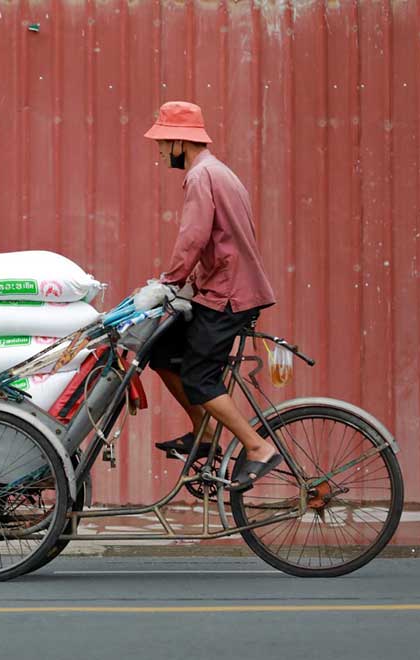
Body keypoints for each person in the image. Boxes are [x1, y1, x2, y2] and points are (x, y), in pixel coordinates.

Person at [143, 101, 279, 491]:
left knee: (201, 379)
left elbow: (194, 236)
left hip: (230, 294)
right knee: (162, 351)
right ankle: (204, 431)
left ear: (179, 143)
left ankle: (257, 448)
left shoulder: (201, 176)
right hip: (222, 288)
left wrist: (169, 282)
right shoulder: (221, 173)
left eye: (163, 143)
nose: (159, 151)